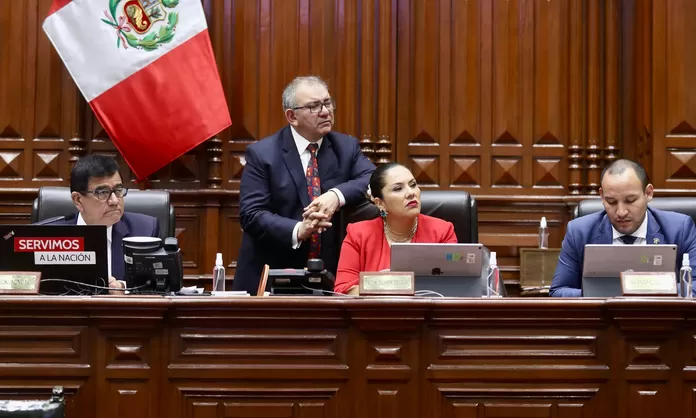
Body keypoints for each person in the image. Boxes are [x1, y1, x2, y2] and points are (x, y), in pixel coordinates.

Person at [235, 76, 375, 294]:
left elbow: (373, 178)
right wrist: (299, 229)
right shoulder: (263, 154)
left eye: (327, 103)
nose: (325, 111)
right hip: (273, 276)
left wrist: (336, 195)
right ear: (292, 116)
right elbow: (252, 214)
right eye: (313, 106)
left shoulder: (346, 147)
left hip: (331, 277)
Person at [550, 159, 696, 297]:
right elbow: (558, 292)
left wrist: (637, 290)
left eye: (630, 200)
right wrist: (604, 294)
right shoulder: (579, 232)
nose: (621, 212)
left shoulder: (680, 229)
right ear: (602, 196)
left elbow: (694, 287)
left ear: (648, 193)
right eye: (611, 202)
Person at [333, 163, 457, 294]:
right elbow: (343, 291)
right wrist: (385, 284)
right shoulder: (358, 234)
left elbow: (454, 287)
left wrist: (391, 283)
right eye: (398, 189)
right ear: (380, 203)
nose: (410, 193)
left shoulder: (442, 231)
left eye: (413, 185)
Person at [55, 155, 160, 293]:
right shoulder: (49, 236)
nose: (114, 201)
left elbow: (158, 283)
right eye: (103, 192)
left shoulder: (145, 230)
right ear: (78, 200)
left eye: (118, 190)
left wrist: (123, 288)